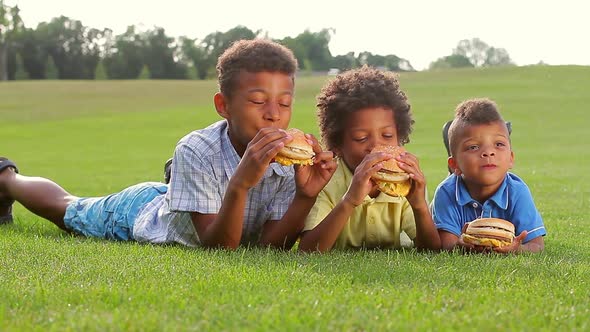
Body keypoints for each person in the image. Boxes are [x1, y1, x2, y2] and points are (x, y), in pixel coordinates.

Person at [0, 39, 337, 250]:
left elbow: (270, 247)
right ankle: (7, 179)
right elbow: (219, 247)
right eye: (258, 101)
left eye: (284, 103)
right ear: (223, 106)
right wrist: (241, 182)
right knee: (69, 210)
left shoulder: (291, 161)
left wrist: (305, 196)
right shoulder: (196, 149)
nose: (273, 116)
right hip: (141, 214)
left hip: (183, 199)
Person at [298, 66, 441, 252]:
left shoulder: (404, 182)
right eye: (361, 138)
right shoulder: (326, 182)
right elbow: (307, 251)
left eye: (387, 136)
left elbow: (432, 251)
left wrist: (419, 205)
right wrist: (349, 200)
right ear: (337, 145)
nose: (375, 147)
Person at [431, 98, 546, 253]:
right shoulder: (447, 192)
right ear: (454, 165)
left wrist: (517, 249)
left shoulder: (517, 191)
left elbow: (537, 245)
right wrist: (460, 246)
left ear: (511, 158)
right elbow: (447, 244)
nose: (488, 152)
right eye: (473, 147)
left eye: (498, 144)